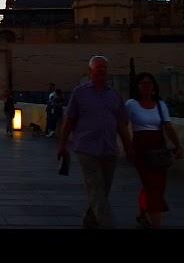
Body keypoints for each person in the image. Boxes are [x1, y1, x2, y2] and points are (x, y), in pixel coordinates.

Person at [57, 55, 134, 229]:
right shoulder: (79, 92)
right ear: (90, 71)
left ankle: (90, 220)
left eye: (104, 67)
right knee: (96, 189)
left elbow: (121, 125)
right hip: (86, 149)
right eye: (98, 67)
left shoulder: (114, 95)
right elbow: (69, 121)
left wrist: (129, 149)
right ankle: (107, 225)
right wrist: (62, 145)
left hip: (109, 149)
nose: (102, 70)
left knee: (102, 191)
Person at [126, 72, 183, 229]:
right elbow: (122, 125)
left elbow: (167, 126)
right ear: (137, 86)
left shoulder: (160, 105)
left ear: (154, 86)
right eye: (143, 83)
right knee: (151, 185)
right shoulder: (131, 104)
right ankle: (156, 223)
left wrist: (178, 145)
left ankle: (143, 212)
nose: (146, 86)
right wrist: (127, 147)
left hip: (158, 149)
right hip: (141, 148)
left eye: (149, 83)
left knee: (157, 185)